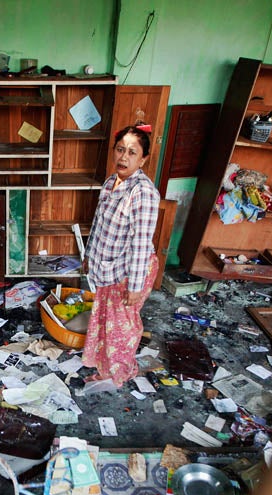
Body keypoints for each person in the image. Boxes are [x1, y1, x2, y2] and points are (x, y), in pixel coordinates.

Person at [82, 123, 160, 387]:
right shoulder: (111, 182)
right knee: (106, 321)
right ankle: (106, 367)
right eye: (120, 150)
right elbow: (98, 224)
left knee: (122, 328)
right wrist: (88, 257)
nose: (124, 157)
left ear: (143, 159)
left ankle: (120, 373)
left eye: (132, 152)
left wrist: (135, 287)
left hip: (130, 272)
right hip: (107, 267)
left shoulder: (143, 193)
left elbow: (140, 243)